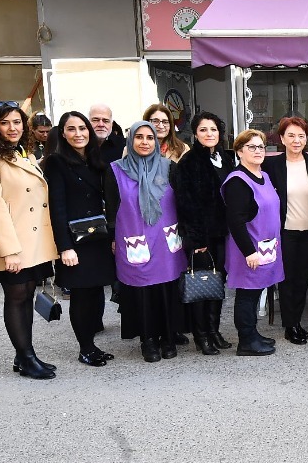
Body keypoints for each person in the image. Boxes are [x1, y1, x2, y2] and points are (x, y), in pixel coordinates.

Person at [0, 101, 59, 380]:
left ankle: (25, 354)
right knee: (17, 296)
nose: (13, 128)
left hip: (32, 242)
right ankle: (25, 357)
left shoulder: (21, 153)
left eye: (18, 122)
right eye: (5, 122)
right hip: (12, 244)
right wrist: (10, 251)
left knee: (27, 295)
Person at [105, 121, 186, 362]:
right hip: (134, 236)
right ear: (130, 141)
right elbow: (111, 209)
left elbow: (181, 202)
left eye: (149, 137)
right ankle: (148, 339)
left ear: (156, 141)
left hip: (165, 239)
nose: (144, 142)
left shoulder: (169, 167)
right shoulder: (115, 170)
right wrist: (112, 238)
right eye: (138, 137)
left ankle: (168, 336)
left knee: (167, 289)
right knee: (142, 291)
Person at [43, 111, 117, 366]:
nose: (79, 134)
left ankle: (92, 345)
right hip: (76, 242)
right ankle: (85, 348)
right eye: (71, 129)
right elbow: (57, 207)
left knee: (96, 292)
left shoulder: (95, 159)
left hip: (98, 237)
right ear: (62, 133)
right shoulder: (56, 162)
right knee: (82, 296)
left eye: (82, 128)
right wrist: (65, 247)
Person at [172, 111, 234, 354]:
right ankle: (201, 336)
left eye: (214, 129)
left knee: (218, 283)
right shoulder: (189, 162)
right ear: (195, 134)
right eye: (203, 130)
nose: (210, 134)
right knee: (201, 285)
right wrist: (197, 240)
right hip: (201, 237)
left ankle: (214, 330)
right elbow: (185, 203)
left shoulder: (225, 159)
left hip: (222, 233)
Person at [223, 129, 284, 355]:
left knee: (257, 291)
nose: (258, 151)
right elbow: (235, 222)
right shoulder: (238, 182)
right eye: (252, 147)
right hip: (248, 250)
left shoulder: (263, 175)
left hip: (266, 246)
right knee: (247, 296)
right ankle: (246, 341)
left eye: (261, 147)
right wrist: (249, 252)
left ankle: (253, 333)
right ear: (239, 152)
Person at [264, 117, 308, 345]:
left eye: (301, 136)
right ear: (282, 139)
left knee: (302, 280)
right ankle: (290, 325)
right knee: (287, 280)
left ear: (306, 138)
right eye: (291, 135)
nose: (296, 140)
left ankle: (296, 321)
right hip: (284, 232)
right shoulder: (272, 165)